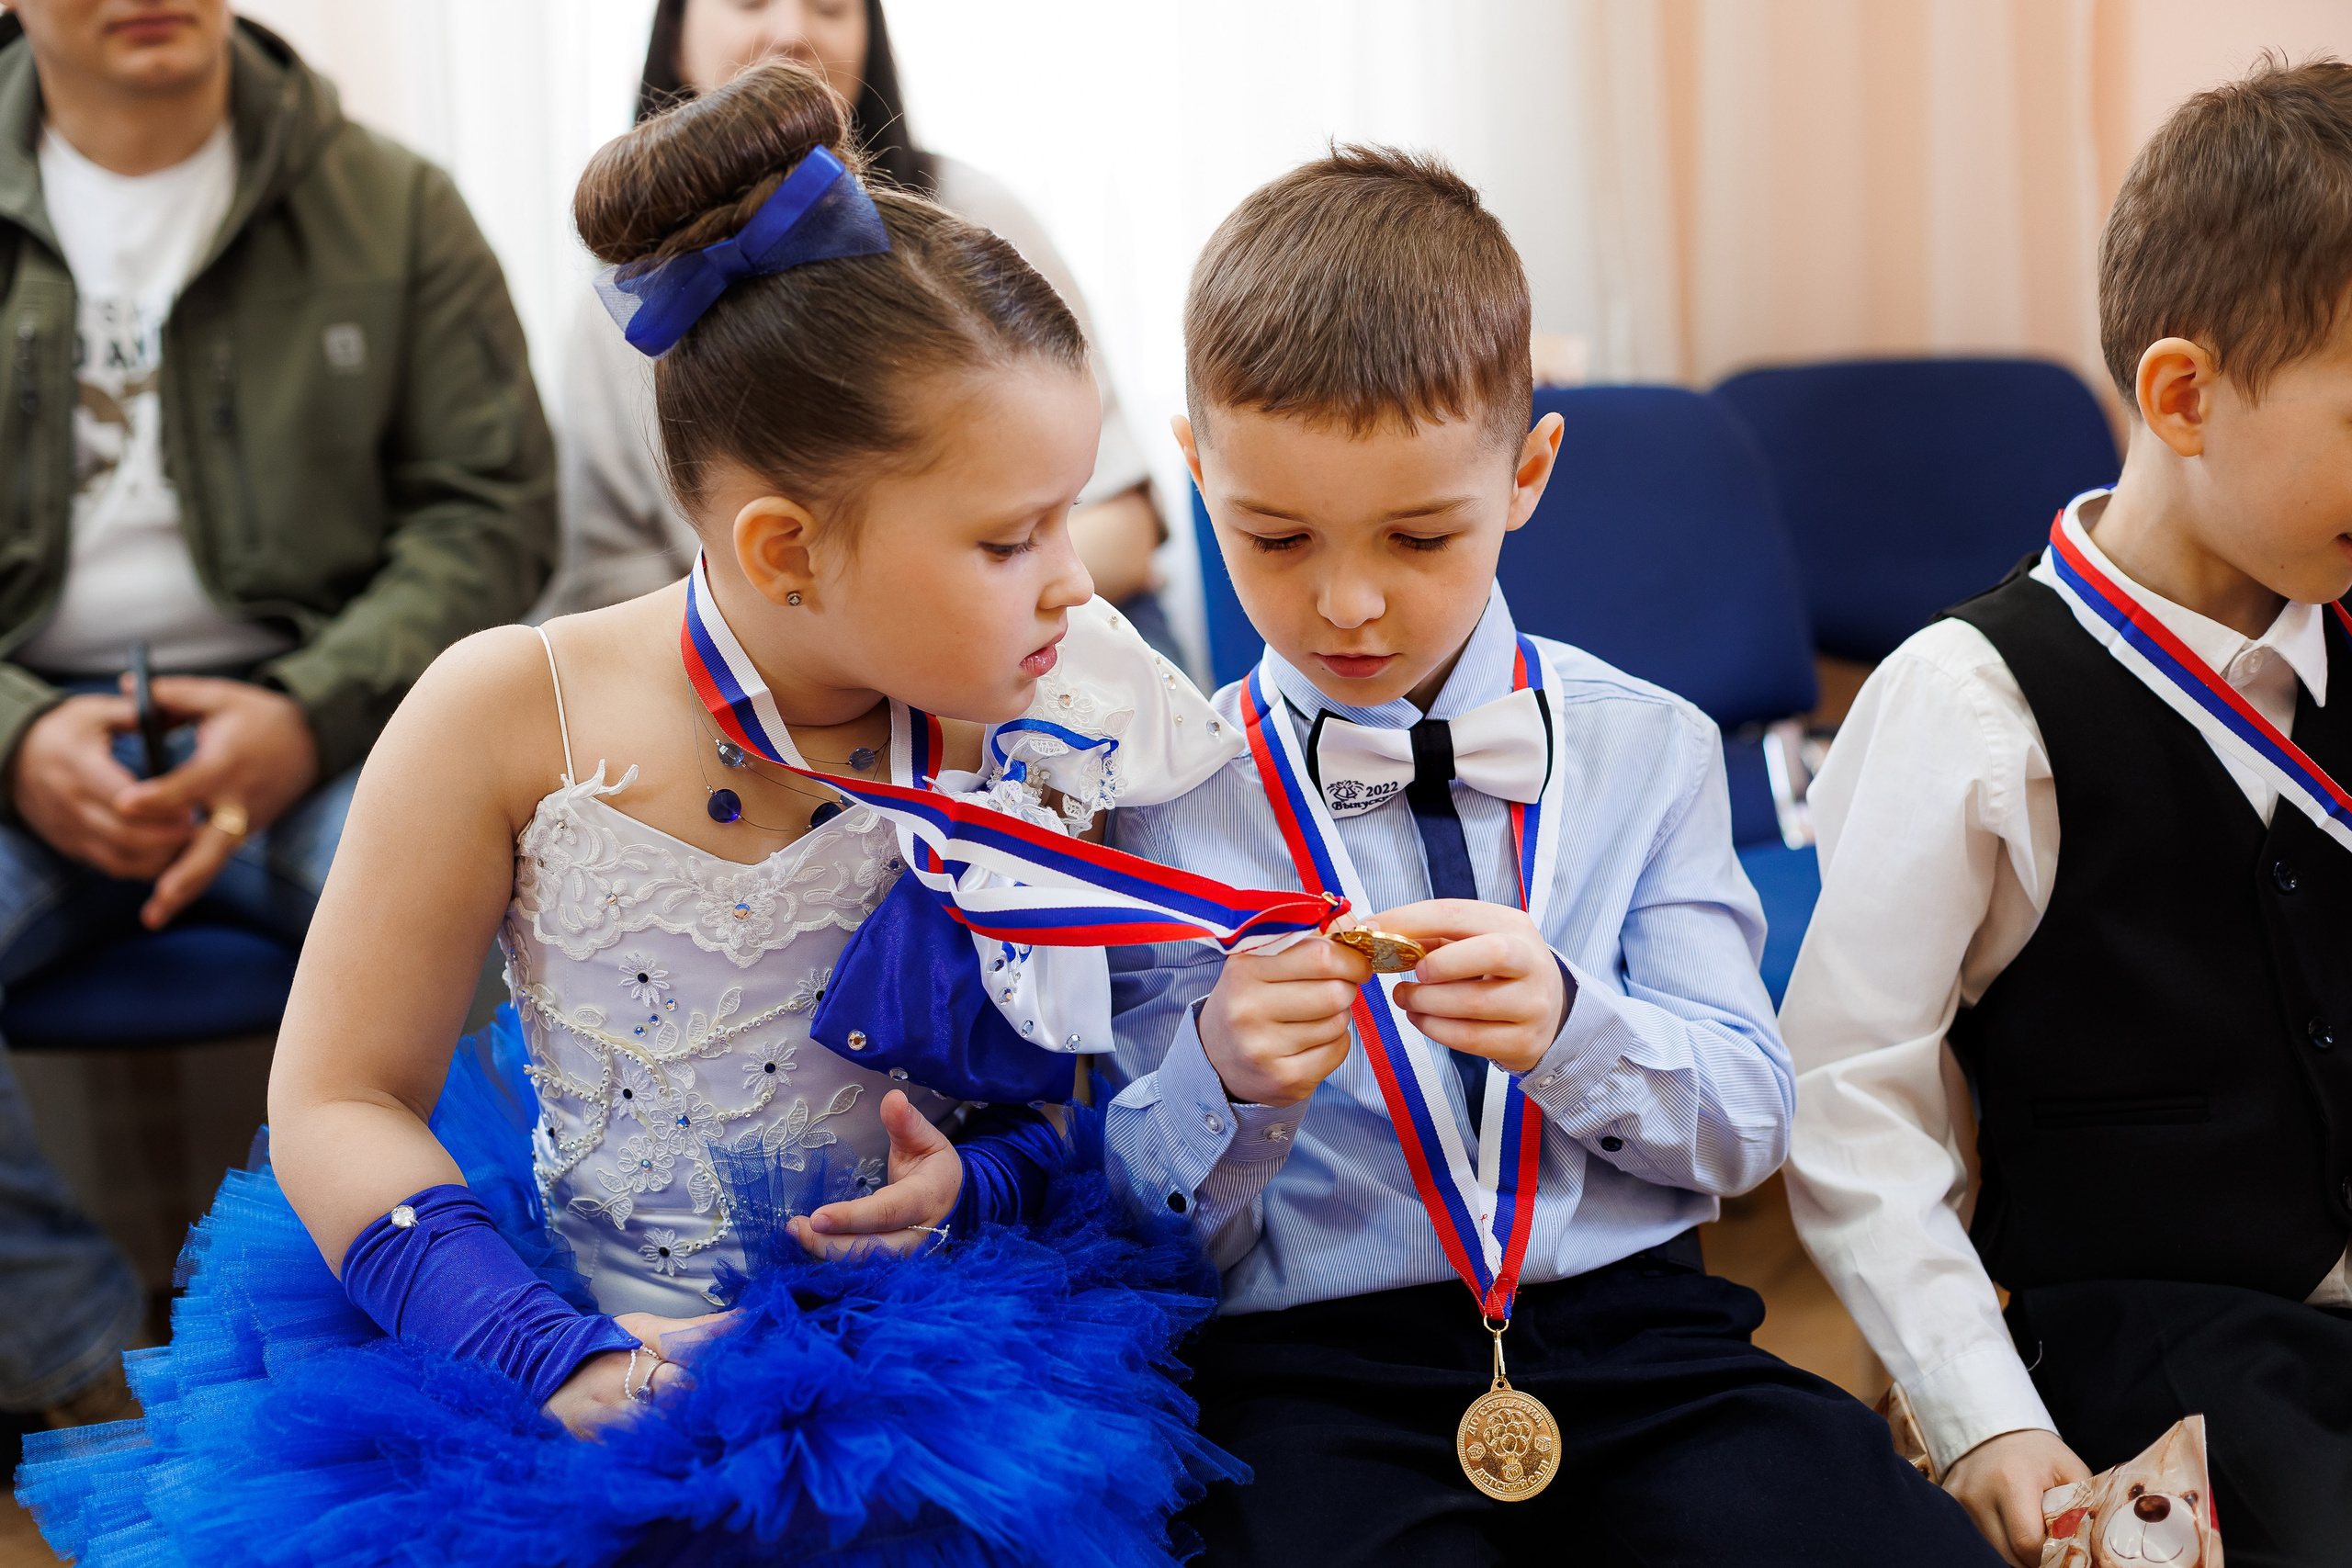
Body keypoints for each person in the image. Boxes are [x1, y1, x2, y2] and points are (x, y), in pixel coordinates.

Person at [17, 62, 1267, 1568]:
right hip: (551, 1332)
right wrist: (544, 1348)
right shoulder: (504, 708)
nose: (1078, 576)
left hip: (928, 1355)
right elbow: (338, 1096)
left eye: (1069, 511)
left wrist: (975, 1180)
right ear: (786, 550)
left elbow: (1081, 1096)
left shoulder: (1050, 713)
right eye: (1012, 536)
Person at [1100, 146, 2004, 1566]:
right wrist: (1219, 1078)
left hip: (1643, 1334)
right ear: (1198, 466)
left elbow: (1752, 1116)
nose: (1347, 599)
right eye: (1272, 536)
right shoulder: (1159, 799)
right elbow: (1142, 1233)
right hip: (1317, 1368)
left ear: (1528, 474)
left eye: (1419, 533)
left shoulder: (1651, 750)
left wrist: (1582, 1030)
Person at [1781, 57, 2352, 1568]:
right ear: (2182, 395)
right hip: (2159, 1336)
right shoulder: (1969, 704)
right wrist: (1981, 1412)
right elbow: (1856, 1098)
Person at [0, 0, 553, 1438]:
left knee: (505, 931)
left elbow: (489, 513)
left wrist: (302, 714)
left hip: (332, 721)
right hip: (22, 734)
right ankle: (75, 1384)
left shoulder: (393, 201)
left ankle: (439, 1359)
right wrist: (14, 733)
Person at [548, 0, 1180, 661]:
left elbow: (1122, 519)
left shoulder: (974, 219)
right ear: (674, 38)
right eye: (749, 1)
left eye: (831, 7)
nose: (792, 32)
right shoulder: (632, 306)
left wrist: (952, 608)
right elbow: (608, 579)